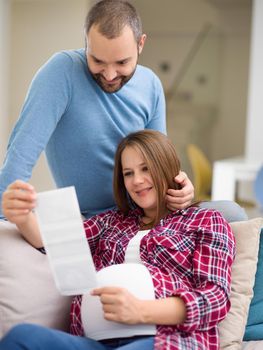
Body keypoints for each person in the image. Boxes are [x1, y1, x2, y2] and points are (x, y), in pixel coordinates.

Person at [1, 130, 235, 350]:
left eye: (146, 168)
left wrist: (141, 311)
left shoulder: (206, 220)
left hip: (165, 340)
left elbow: (215, 298)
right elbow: (53, 241)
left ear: (166, 167)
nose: (137, 180)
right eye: (128, 173)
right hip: (98, 341)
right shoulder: (111, 221)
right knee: (21, 338)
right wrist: (22, 217)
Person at [0, 0, 194, 220]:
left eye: (121, 62)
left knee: (230, 210)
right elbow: (19, 157)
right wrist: (3, 221)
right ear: (86, 44)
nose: (109, 75)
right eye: (98, 60)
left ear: (141, 44)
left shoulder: (151, 85)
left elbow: (161, 162)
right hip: (92, 220)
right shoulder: (62, 72)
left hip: (146, 214)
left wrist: (180, 189)